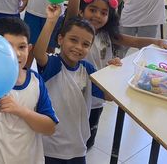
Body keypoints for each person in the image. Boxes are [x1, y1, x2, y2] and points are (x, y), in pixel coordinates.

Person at [70, 0, 167, 148]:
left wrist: (158, 41)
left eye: (104, 12)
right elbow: (71, 14)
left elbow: (134, 41)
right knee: (73, 123)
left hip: (99, 91)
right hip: (77, 88)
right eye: (92, 10)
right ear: (81, 11)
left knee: (89, 133)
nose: (98, 16)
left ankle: (84, 145)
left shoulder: (108, 34)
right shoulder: (76, 31)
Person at [0, 17, 58, 164]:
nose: (17, 54)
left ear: (29, 49)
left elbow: (50, 127)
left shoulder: (35, 82)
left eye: (22, 47)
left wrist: (21, 111)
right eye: (7, 46)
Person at [34, 10, 114, 164]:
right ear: (60, 39)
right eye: (73, 40)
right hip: (51, 147)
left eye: (85, 44)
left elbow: (108, 96)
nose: (78, 47)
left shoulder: (87, 69)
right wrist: (51, 21)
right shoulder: (54, 65)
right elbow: (39, 54)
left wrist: (113, 71)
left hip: (78, 145)